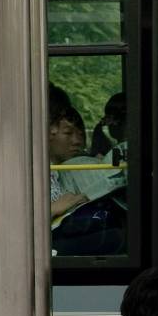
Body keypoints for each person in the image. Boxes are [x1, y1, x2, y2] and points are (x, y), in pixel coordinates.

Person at [48, 92, 124, 256]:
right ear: (48, 133)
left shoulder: (63, 169)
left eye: (81, 134)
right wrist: (52, 209)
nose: (77, 141)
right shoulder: (28, 171)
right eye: (68, 133)